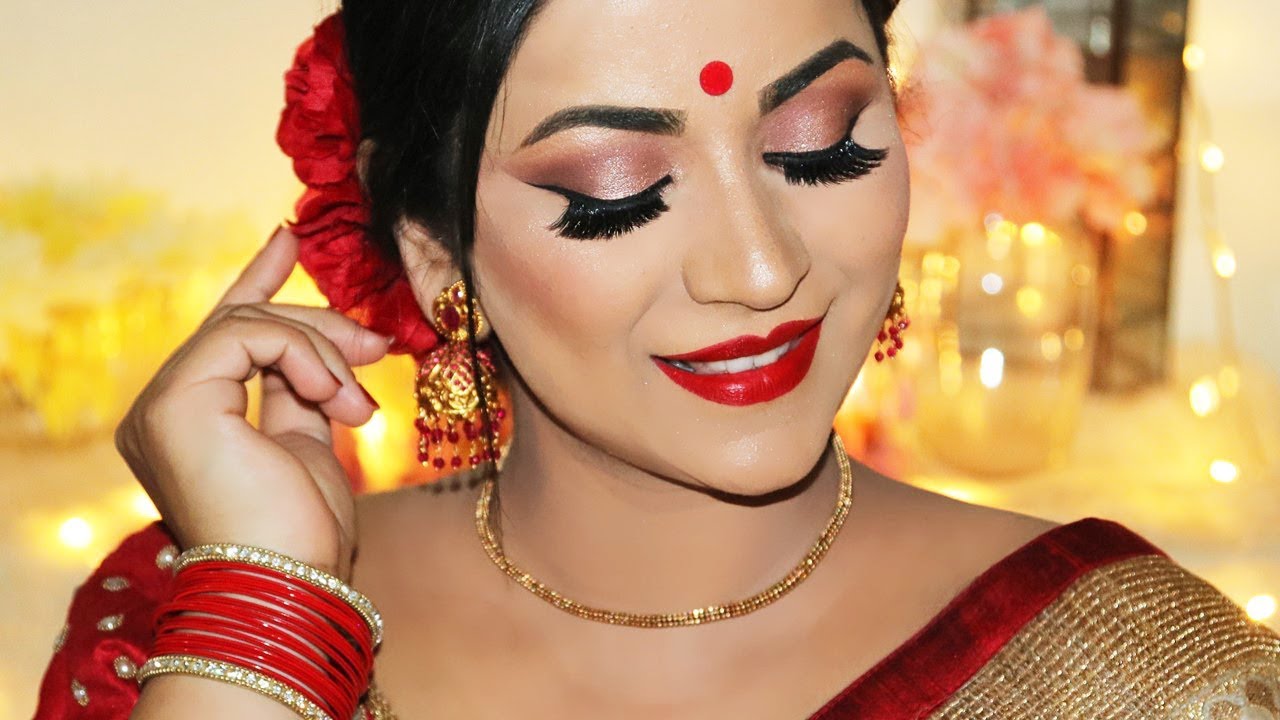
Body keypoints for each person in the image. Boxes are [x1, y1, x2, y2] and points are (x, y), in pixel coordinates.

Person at [34, 0, 1280, 718]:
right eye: (614, 190)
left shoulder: (1132, 673)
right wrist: (260, 620)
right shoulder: (195, 617)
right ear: (430, 248)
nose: (759, 268)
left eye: (823, 147)